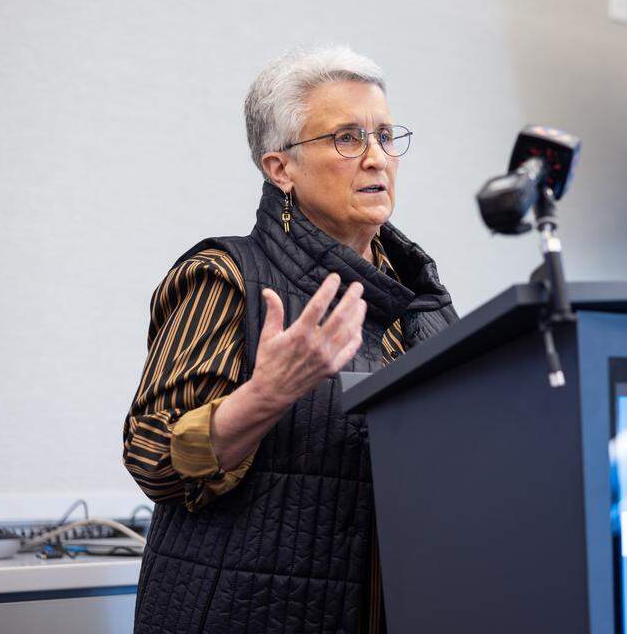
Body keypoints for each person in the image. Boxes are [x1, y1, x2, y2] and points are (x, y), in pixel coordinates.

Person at [122, 46, 458, 634]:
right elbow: (154, 458)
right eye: (348, 139)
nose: (377, 157)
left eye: (384, 135)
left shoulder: (425, 302)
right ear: (281, 168)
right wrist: (267, 394)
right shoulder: (227, 278)